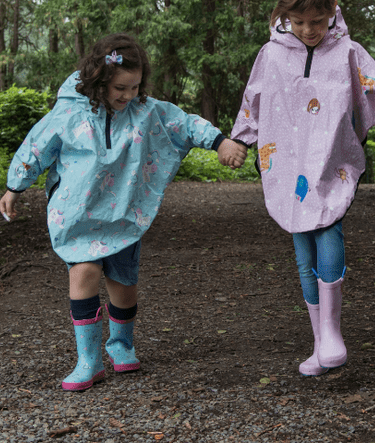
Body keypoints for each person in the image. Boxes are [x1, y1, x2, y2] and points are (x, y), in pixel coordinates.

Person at [218, 0, 375, 376]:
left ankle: (332, 333)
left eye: (317, 20)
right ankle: (320, 343)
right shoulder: (271, 55)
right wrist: (240, 138)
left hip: (330, 159)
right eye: (297, 21)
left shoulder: (349, 53)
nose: (308, 29)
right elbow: (254, 98)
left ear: (334, 9)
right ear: (283, 16)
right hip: (284, 162)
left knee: (327, 225)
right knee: (301, 244)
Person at [0, 32, 246, 391]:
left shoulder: (145, 111)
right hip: (79, 214)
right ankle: (88, 360)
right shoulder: (68, 113)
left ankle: (121, 343)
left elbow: (184, 123)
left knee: (123, 284)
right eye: (120, 88)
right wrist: (15, 186)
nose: (128, 95)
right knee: (83, 273)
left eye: (135, 87)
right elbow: (37, 146)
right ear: (100, 80)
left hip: (125, 214)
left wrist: (219, 141)